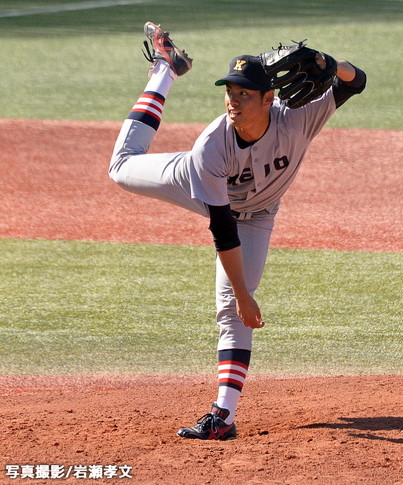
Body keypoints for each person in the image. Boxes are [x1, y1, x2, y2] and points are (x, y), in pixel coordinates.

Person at [109, 22, 366, 440]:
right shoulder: (211, 147)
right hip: (197, 187)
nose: (233, 100)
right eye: (229, 91)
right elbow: (223, 228)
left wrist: (330, 63)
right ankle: (166, 70)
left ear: (269, 98)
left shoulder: (297, 120)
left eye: (244, 93)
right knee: (120, 168)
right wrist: (245, 294)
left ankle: (223, 416)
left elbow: (355, 82)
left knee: (231, 312)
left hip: (259, 215)